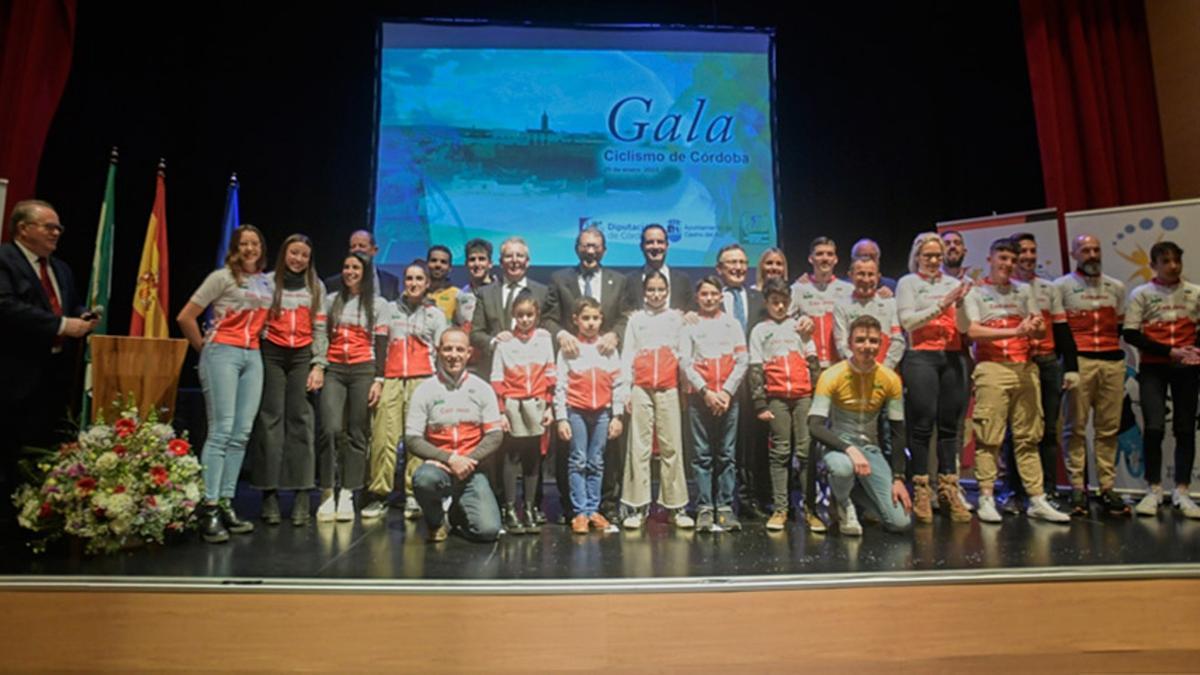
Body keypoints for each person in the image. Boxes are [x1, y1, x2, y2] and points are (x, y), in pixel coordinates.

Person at [960, 238, 1069, 524]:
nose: (1007, 264)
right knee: (989, 436)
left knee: (1028, 436)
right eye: (1002, 258)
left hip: (1025, 367)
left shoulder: (1023, 291)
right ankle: (985, 496)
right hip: (992, 368)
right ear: (990, 259)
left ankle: (1036, 498)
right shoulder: (977, 292)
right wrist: (1014, 332)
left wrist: (1035, 328)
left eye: (1012, 259)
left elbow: (1039, 331)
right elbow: (973, 331)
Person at [177, 224, 271, 543]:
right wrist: (207, 350)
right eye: (243, 243)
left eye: (254, 244)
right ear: (235, 247)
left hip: (253, 355)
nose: (249, 249)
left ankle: (227, 502)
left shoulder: (264, 282)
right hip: (223, 352)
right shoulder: (220, 277)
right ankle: (209, 506)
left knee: (242, 433)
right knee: (221, 430)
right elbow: (186, 317)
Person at [0, 200, 96, 508]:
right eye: (49, 226)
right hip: (14, 375)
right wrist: (62, 324)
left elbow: (70, 305)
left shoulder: (60, 268)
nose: (56, 232)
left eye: (59, 227)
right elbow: (6, 307)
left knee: (46, 446)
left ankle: (40, 511)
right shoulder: (5, 260)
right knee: (10, 448)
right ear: (23, 229)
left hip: (54, 374)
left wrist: (83, 315)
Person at [543, 227, 633, 523]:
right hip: (574, 373)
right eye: (584, 246)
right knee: (574, 454)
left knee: (602, 453)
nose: (590, 251)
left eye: (595, 246)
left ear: (604, 250)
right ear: (576, 248)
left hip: (605, 371)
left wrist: (616, 336)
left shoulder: (618, 281)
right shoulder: (559, 279)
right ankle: (574, 508)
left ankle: (601, 506)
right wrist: (561, 336)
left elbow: (624, 317)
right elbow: (548, 318)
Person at [807, 315, 912, 536]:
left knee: (899, 523)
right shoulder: (832, 375)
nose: (867, 346)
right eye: (861, 340)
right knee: (843, 467)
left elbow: (897, 431)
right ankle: (843, 504)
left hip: (870, 448)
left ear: (881, 344)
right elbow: (815, 426)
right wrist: (849, 449)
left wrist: (899, 478)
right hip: (838, 445)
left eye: (873, 341)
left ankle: (855, 493)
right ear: (850, 343)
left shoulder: (890, 378)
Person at [469, 236, 550, 517]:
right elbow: (475, 333)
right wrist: (495, 341)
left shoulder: (541, 291)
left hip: (533, 387)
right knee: (502, 447)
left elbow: (549, 325)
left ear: (528, 261)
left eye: (520, 256)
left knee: (533, 448)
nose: (514, 261)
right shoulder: (486, 293)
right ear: (500, 262)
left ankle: (532, 505)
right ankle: (504, 505)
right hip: (498, 382)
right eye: (508, 256)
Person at [896, 232, 972, 523]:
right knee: (922, 424)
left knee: (950, 426)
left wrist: (961, 303)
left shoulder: (954, 284)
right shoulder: (908, 283)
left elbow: (965, 327)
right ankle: (921, 490)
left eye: (937, 256)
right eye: (927, 255)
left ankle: (949, 489)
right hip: (921, 356)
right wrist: (942, 304)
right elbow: (907, 321)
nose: (932, 260)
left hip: (951, 355)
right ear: (917, 256)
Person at [250, 234, 326, 527]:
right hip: (271, 355)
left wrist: (318, 364)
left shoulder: (316, 287)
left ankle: (302, 495)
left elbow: (320, 331)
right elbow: (255, 321)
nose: (298, 259)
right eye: (293, 253)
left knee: (301, 420)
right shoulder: (267, 283)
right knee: (270, 419)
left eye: (304, 255)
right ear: (284, 254)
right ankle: (269, 495)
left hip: (302, 357)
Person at [362, 260, 447, 521]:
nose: (413, 283)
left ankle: (413, 494)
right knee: (383, 439)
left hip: (423, 380)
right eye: (409, 278)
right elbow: (380, 345)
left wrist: (441, 386)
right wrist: (378, 378)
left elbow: (443, 352)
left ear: (427, 283)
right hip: (391, 378)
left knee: (416, 439)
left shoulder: (435, 314)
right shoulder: (388, 309)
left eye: (419, 279)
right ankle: (379, 494)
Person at [1123, 241, 1200, 518]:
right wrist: (1170, 351)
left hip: (1186, 369)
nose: (1172, 266)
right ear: (1153, 265)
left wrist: (1195, 350)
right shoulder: (1141, 293)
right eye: (1165, 261)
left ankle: (1182, 490)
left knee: (1185, 428)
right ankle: (1153, 489)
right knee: (1154, 428)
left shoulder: (1194, 292)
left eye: (1176, 260)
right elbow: (1130, 333)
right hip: (1153, 368)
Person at [406, 328, 504, 543]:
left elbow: (495, 435)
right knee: (424, 480)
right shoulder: (425, 390)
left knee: (488, 531)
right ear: (438, 351)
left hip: (471, 469)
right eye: (448, 349)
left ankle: (455, 513)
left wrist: (468, 460)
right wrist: (449, 459)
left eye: (460, 349)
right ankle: (436, 521)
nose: (453, 355)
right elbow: (412, 439)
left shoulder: (482, 388)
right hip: (438, 467)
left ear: (469, 353)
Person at [313, 252, 390, 523]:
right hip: (334, 368)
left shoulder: (379, 304)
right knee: (330, 429)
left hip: (364, 370)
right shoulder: (331, 300)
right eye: (346, 267)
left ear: (365, 272)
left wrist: (379, 380)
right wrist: (319, 366)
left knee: (358, 432)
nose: (349, 271)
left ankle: (347, 492)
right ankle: (326, 492)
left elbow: (381, 345)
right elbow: (321, 335)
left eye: (356, 267)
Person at [1056, 234, 1129, 516]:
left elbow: (1121, 325)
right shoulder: (1061, 287)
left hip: (1111, 361)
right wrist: (1070, 366)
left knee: (1108, 428)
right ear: (1074, 254)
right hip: (1080, 362)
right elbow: (1060, 331)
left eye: (1096, 249)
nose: (1092, 254)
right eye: (1085, 250)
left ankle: (1107, 487)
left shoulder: (1117, 287)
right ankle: (1077, 487)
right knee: (1074, 427)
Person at [620, 271, 692, 530]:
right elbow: (628, 355)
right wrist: (625, 390)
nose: (656, 294)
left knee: (671, 446)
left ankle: (676, 507)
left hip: (669, 388)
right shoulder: (636, 320)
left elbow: (684, 356)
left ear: (668, 290)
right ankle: (637, 506)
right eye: (651, 289)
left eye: (661, 289)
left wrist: (685, 388)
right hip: (641, 387)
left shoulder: (676, 319)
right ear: (644, 291)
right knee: (638, 447)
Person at [790, 237, 854, 528]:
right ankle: (812, 493)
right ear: (810, 259)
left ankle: (840, 493)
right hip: (811, 370)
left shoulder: (847, 290)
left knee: (839, 432)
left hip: (842, 369)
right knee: (812, 434)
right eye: (819, 254)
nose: (825, 258)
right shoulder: (799, 289)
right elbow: (785, 322)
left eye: (830, 254)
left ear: (836, 259)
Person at [1010, 232, 1077, 505]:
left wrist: (1070, 367)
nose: (1028, 256)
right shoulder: (1006, 289)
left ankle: (1048, 490)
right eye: (1022, 251)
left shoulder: (1050, 288)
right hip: (1020, 363)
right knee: (1016, 431)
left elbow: (1062, 330)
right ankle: (1015, 492)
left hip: (1048, 363)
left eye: (1032, 251)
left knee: (1049, 430)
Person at [749, 278, 819, 531]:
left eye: (784, 302)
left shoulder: (800, 326)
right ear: (766, 303)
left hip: (803, 397)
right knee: (780, 452)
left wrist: (818, 398)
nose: (779, 306)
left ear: (790, 302)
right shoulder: (759, 330)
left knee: (805, 451)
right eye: (774, 302)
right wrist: (759, 402)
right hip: (776, 398)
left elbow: (812, 360)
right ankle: (781, 508)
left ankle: (810, 509)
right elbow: (755, 367)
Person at [681, 275, 749, 532]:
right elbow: (685, 362)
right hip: (700, 400)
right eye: (704, 294)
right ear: (697, 297)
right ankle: (705, 508)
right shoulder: (689, 325)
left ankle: (725, 506)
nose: (709, 298)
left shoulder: (732, 324)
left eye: (713, 294)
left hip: (728, 399)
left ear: (721, 297)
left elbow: (742, 360)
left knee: (727, 454)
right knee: (702, 455)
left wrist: (726, 392)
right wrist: (707, 392)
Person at [554, 297, 626, 534]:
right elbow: (560, 385)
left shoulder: (608, 349)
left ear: (602, 319)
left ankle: (593, 509)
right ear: (575, 320)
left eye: (595, 318)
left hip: (602, 413)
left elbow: (618, 383)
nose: (591, 323)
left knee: (597, 461)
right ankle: (580, 512)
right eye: (586, 318)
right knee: (578, 461)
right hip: (576, 412)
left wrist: (617, 415)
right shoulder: (569, 350)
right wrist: (562, 417)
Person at [490, 294, 555, 534]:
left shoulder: (544, 339)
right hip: (512, 403)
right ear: (513, 317)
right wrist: (501, 411)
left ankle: (528, 507)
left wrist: (549, 406)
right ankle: (509, 508)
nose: (525, 320)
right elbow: (496, 376)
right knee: (511, 457)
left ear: (537, 315)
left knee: (533, 457)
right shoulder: (504, 343)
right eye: (520, 315)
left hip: (536, 403)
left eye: (529, 315)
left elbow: (550, 373)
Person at [714, 243, 770, 520]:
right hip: (719, 380)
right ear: (719, 269)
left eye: (741, 262)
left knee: (752, 442)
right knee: (720, 443)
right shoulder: (709, 298)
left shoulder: (760, 298)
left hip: (754, 381)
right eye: (730, 263)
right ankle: (718, 500)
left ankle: (749, 498)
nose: (737, 268)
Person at [833, 256, 905, 370]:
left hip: (885, 370)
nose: (866, 279)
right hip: (853, 372)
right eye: (861, 274)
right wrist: (859, 367)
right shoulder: (841, 305)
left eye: (871, 274)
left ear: (878, 277)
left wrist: (884, 368)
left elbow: (898, 341)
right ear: (851, 276)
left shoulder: (890, 303)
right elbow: (841, 344)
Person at [625, 223, 694, 311]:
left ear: (667, 246)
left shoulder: (683, 280)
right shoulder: (628, 281)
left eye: (660, 242)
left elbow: (691, 311)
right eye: (650, 242)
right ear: (642, 247)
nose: (655, 247)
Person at [324, 229, 401, 301]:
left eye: (362, 246)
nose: (357, 249)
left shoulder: (391, 282)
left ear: (374, 250)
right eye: (353, 246)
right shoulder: (333, 284)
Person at [456, 238, 495, 335]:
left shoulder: (501, 292)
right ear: (466, 264)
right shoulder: (461, 295)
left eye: (482, 259)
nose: (477, 264)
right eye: (472, 259)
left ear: (490, 264)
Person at [425, 244, 459, 323]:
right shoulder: (415, 292)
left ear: (450, 268)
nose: (438, 265)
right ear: (427, 264)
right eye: (434, 260)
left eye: (443, 262)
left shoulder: (457, 295)